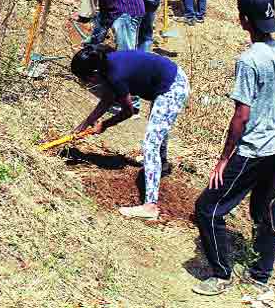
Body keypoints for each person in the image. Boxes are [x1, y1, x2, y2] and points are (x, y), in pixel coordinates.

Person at [192, 0, 275, 297]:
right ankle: (261, 275)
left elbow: (241, 115)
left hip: (254, 148)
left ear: (243, 20)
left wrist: (225, 158)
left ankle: (221, 274)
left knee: (208, 208)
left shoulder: (249, 60)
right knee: (266, 209)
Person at [70, 45, 190, 220]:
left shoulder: (115, 73)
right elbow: (108, 98)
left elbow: (129, 111)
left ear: (94, 73)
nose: (88, 82)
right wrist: (86, 123)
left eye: (86, 78)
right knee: (157, 131)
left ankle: (150, 206)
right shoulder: (107, 65)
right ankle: (161, 164)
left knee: (150, 144)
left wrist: (105, 125)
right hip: (169, 81)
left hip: (173, 87)